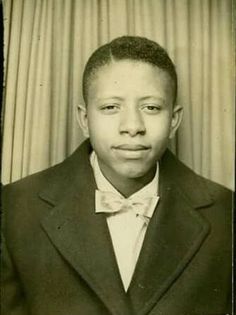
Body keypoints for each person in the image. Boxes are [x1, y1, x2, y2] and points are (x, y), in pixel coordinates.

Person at [1, 36, 232, 315]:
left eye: (151, 108)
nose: (132, 126)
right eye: (111, 107)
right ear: (85, 120)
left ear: (174, 120)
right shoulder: (14, 208)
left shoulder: (226, 213)